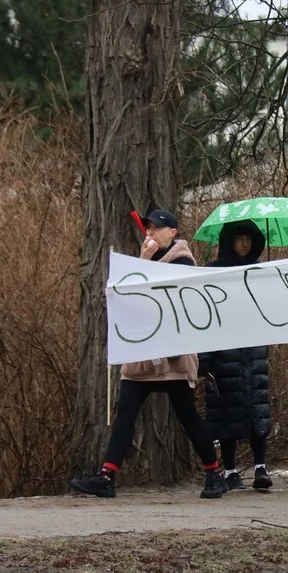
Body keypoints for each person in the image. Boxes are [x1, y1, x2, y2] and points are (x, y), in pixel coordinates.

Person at [70, 209, 228, 500]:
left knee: (187, 416)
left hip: (172, 354)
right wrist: (141, 262)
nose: (150, 233)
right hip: (141, 354)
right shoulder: (143, 260)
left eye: (157, 228)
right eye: (148, 228)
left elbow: (162, 295)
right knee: (125, 415)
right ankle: (107, 476)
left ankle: (215, 473)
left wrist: (141, 266)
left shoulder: (183, 261)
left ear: (173, 233)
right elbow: (132, 299)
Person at [199, 220, 273, 491]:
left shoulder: (261, 272)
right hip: (222, 351)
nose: (245, 244)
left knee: (258, 408)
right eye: (239, 238)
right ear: (229, 240)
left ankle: (260, 467)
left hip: (253, 351)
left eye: (249, 239)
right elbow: (204, 315)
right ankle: (230, 471)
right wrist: (204, 358)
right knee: (225, 412)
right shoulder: (213, 273)